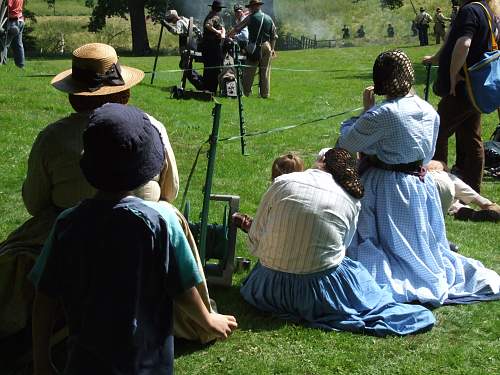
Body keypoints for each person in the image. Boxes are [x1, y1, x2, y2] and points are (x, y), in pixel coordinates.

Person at [0, 43, 217, 349]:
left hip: (75, 229)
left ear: (75, 95)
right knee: (169, 215)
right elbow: (170, 191)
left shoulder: (51, 138)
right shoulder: (151, 127)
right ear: (124, 93)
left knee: (14, 253)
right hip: (143, 227)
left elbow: (35, 204)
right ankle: (195, 317)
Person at [29, 103, 238, 375]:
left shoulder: (67, 224)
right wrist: (207, 319)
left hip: (84, 363)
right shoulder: (161, 225)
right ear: (144, 168)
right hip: (145, 365)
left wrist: (41, 360)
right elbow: (184, 287)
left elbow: (44, 297)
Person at [337, 49, 500, 306]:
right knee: (420, 243)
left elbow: (348, 141)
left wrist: (365, 111)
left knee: (378, 247)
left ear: (380, 81)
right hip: (419, 186)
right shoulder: (428, 110)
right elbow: (425, 155)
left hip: (387, 187)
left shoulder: (383, 114)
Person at [240, 148, 435, 336]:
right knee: (353, 271)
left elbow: (255, 240)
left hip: (265, 289)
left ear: (322, 162)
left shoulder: (283, 181)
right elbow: (342, 249)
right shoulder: (352, 199)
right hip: (315, 295)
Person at [422, 0, 499, 193]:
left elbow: (464, 44)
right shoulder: (486, 10)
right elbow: (453, 42)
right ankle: (472, 189)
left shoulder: (470, 10)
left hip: (463, 87)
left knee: (436, 131)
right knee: (471, 137)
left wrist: (453, 75)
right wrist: (436, 58)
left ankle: (439, 186)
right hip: (475, 89)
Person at [232, 152, 305, 233]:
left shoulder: (274, 194)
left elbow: (261, 230)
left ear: (274, 176)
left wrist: (246, 223)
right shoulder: (306, 194)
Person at [229, 0, 277, 98]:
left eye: (251, 6)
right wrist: (272, 49)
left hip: (254, 47)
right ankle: (265, 94)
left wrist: (228, 35)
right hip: (267, 46)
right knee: (265, 72)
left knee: (249, 71)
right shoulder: (269, 18)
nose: (249, 8)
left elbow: (238, 28)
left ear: (255, 7)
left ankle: (246, 93)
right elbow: (274, 36)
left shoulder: (250, 18)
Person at [428, 160, 500, 222]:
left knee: (448, 203)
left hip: (428, 192)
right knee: (441, 177)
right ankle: (478, 206)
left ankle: (461, 211)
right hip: (443, 184)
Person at [202, 0, 226, 93]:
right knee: (214, 67)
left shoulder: (214, 16)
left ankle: (207, 88)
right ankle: (211, 89)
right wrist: (217, 32)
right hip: (212, 45)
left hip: (209, 45)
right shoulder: (214, 16)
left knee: (208, 67)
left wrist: (222, 32)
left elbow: (222, 27)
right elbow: (208, 25)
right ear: (219, 9)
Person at [1, 0, 25, 67]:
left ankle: (2, 63)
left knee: (3, 44)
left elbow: (8, 5)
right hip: (20, 20)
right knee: (18, 45)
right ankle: (20, 65)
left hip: (12, 22)